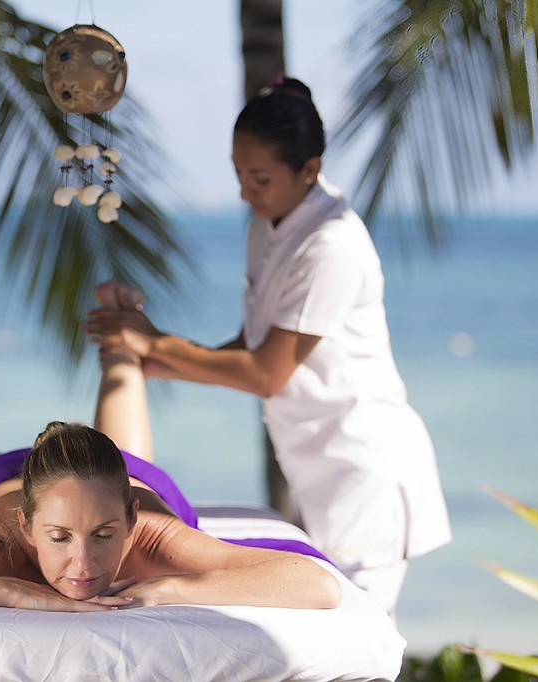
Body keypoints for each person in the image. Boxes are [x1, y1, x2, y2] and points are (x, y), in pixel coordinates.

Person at [82, 77, 451, 616]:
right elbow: (250, 346)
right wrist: (151, 358)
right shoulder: (269, 225)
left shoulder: (333, 244)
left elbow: (265, 373)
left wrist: (154, 341)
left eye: (259, 178)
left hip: (362, 472)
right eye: (238, 175)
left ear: (310, 170)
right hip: (316, 471)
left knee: (351, 648)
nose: (244, 193)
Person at [0, 341, 342, 620]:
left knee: (127, 460)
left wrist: (167, 589)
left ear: (133, 521)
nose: (84, 566)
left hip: (122, 477)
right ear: (26, 529)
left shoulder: (155, 537)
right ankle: (11, 456)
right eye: (58, 539)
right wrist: (8, 591)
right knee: (19, 468)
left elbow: (318, 585)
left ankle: (122, 353)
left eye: (105, 536)